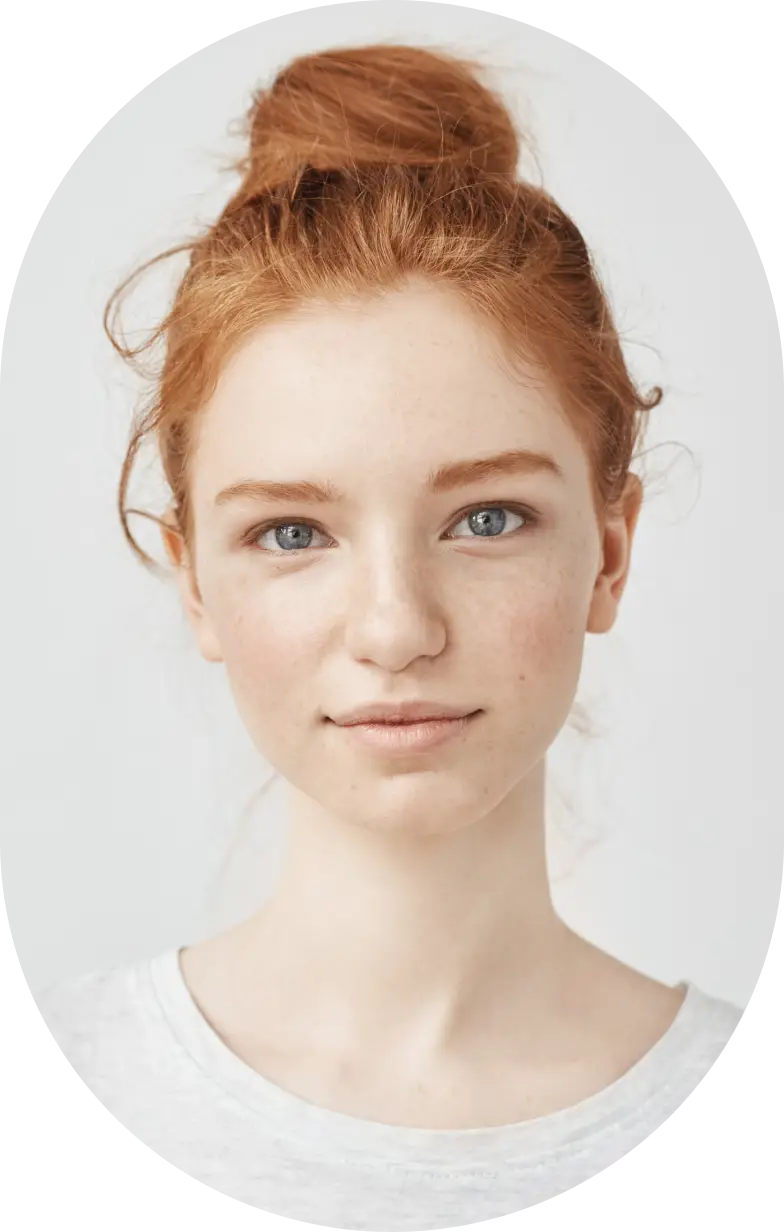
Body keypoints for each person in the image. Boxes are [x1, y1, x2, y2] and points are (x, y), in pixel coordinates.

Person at [33, 41, 745, 1222]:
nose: (396, 626)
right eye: (292, 533)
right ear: (194, 583)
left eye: (485, 516)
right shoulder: (88, 1065)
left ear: (608, 553)